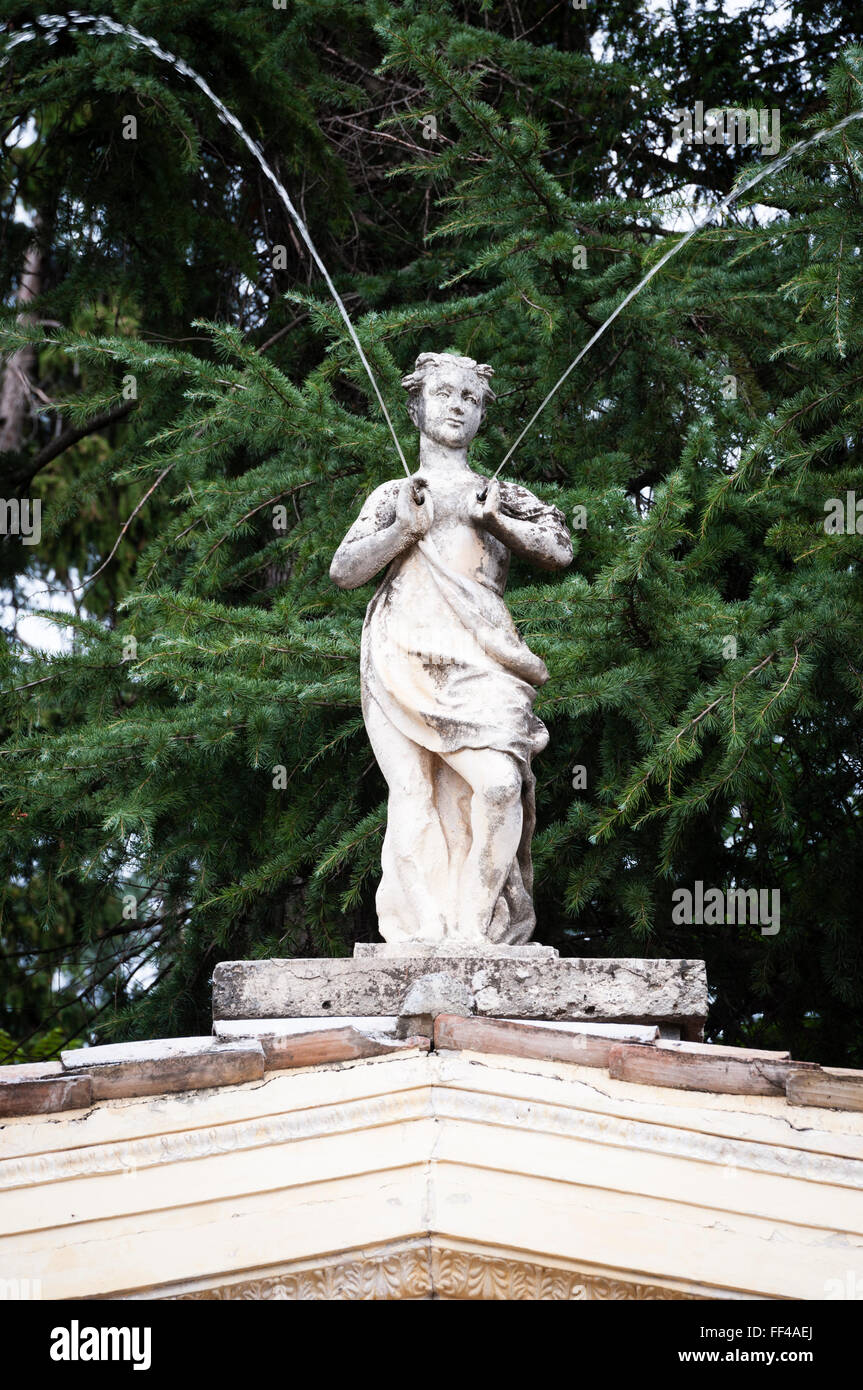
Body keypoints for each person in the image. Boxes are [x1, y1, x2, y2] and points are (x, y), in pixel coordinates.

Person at [330, 351, 572, 944]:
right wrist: (404, 529)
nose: (457, 404)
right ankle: (427, 931)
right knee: (411, 794)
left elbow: (560, 548)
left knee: (497, 784)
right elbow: (344, 570)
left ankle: (476, 924)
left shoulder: (500, 492)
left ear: (482, 414)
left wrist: (499, 524)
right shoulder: (396, 493)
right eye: (443, 393)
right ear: (415, 406)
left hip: (481, 659)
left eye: (469, 396)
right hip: (399, 655)